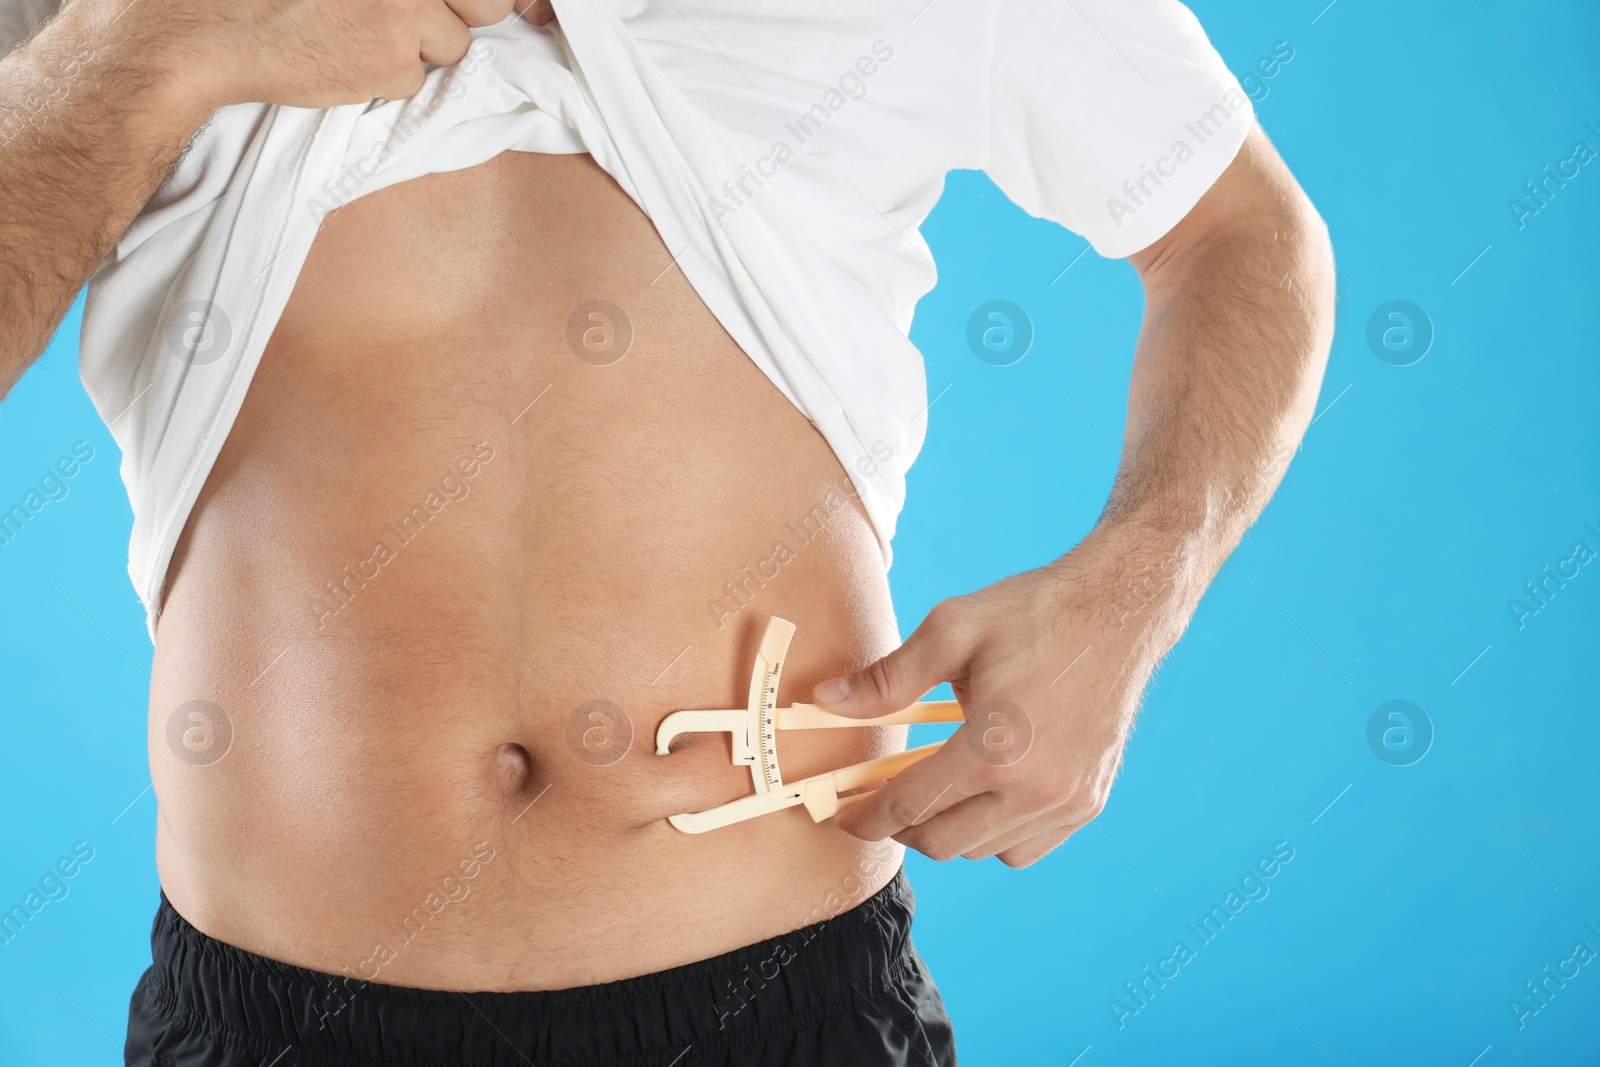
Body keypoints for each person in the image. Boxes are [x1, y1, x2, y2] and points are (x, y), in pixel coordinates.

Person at [0, 0, 1335, 1063]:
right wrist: (143, 46)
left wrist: (1136, 582)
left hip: (776, 1007)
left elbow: (1242, 228)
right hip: (275, 1021)